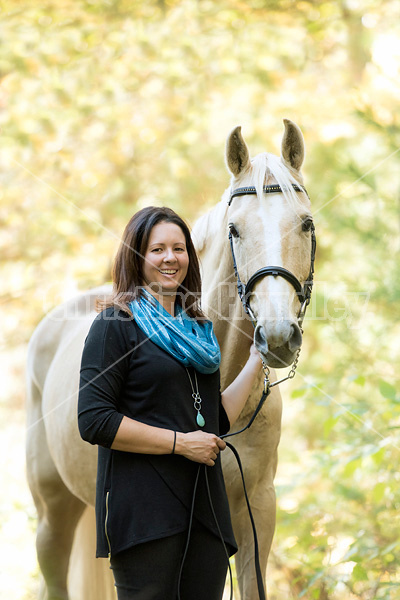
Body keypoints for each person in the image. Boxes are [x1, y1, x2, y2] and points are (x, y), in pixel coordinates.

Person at [78, 206, 262, 600]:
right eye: (157, 249)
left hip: (206, 512)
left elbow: (214, 418)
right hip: (144, 511)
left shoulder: (198, 330)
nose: (169, 258)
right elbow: (94, 420)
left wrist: (257, 360)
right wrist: (182, 443)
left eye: (179, 248)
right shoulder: (115, 324)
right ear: (137, 257)